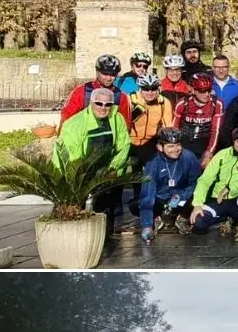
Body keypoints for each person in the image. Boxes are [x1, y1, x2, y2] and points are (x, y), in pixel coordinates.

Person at [55, 88, 132, 242]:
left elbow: (124, 146)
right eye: (99, 103)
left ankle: (103, 239)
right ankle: (69, 240)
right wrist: (76, 178)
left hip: (105, 171)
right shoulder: (75, 124)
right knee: (72, 207)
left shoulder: (117, 119)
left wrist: (113, 169)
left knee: (106, 207)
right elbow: (69, 155)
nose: (103, 107)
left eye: (108, 104)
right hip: (78, 171)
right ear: (91, 103)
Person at [189, 125, 238, 241]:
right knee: (198, 222)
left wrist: (230, 188)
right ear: (233, 141)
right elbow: (205, 180)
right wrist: (197, 204)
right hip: (218, 199)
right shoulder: (222, 154)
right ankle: (225, 219)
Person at [137, 128, 201, 242]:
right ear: (160, 147)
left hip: (181, 198)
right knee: (136, 205)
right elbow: (148, 193)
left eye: (178, 145)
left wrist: (181, 195)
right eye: (170, 146)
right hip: (161, 198)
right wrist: (146, 225)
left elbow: (195, 183)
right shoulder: (152, 163)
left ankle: (182, 217)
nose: (175, 149)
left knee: (196, 197)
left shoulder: (189, 157)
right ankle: (156, 218)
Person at [128, 74, 176, 208]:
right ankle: (133, 198)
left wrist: (165, 145)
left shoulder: (163, 102)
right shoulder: (131, 99)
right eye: (146, 89)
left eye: (153, 89)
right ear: (140, 89)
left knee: (154, 170)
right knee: (127, 172)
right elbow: (122, 121)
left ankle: (155, 199)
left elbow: (167, 126)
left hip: (149, 141)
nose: (150, 92)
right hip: (129, 140)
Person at [60, 54, 133, 131]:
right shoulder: (82, 92)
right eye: (105, 74)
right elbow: (66, 118)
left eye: (113, 74)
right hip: (82, 136)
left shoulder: (121, 96)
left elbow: (125, 125)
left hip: (109, 137)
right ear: (97, 72)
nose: (108, 78)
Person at [173, 73, 225, 166]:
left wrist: (209, 152)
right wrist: (175, 148)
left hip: (205, 142)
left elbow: (215, 131)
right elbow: (174, 128)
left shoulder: (217, 104)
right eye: (202, 91)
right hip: (185, 141)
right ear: (193, 90)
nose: (207, 94)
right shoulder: (182, 103)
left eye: (209, 90)